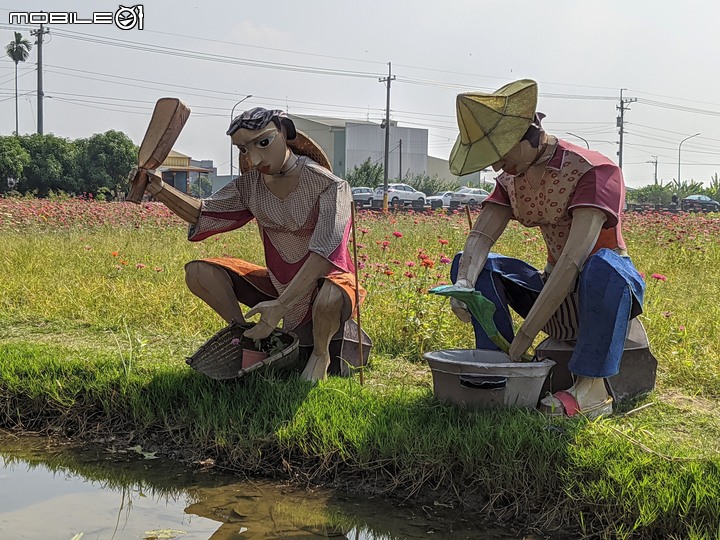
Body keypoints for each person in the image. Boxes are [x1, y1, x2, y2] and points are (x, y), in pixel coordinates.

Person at [447, 80, 645, 418]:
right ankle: (499, 362)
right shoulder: (511, 179)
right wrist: (463, 284)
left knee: (602, 267)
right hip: (556, 290)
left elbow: (574, 259)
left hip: (603, 287)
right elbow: (480, 237)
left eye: (501, 155)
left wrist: (528, 333)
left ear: (528, 135)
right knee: (479, 265)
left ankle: (592, 389)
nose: (497, 167)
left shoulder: (593, 170)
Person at [141, 107, 366, 382]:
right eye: (244, 149)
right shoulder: (250, 186)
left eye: (263, 143)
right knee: (199, 272)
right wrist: (159, 189)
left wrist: (281, 306)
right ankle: (244, 336)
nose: (255, 157)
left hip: (323, 283)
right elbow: (205, 213)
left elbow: (326, 253)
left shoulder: (330, 186)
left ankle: (321, 354)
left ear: (285, 133)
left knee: (331, 293)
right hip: (278, 281)